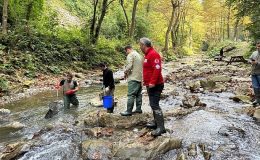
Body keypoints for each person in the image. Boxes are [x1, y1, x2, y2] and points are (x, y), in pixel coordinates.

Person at [139, 37, 166, 136]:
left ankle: (161, 127)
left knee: (154, 105)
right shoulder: (147, 55)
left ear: (144, 45)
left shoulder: (153, 54)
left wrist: (153, 82)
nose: (139, 47)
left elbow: (157, 69)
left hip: (156, 84)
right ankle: (156, 122)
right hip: (149, 84)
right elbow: (148, 70)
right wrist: (144, 81)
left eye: (140, 45)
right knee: (152, 104)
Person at [120, 45, 143, 116]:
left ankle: (128, 111)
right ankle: (138, 109)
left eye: (126, 51)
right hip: (140, 78)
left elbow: (129, 65)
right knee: (139, 94)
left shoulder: (130, 55)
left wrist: (125, 72)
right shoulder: (140, 55)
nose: (126, 53)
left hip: (133, 78)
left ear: (128, 49)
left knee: (131, 95)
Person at [249, 41, 260, 106]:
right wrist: (251, 62)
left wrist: (257, 63)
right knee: (255, 87)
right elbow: (249, 59)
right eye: (258, 46)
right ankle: (257, 100)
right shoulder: (254, 53)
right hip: (253, 73)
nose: (259, 47)